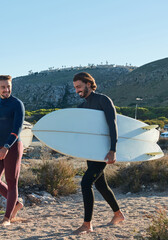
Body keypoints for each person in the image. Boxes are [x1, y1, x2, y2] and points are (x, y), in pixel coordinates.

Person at [72, 72, 125, 234]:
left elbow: (112, 125)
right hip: (91, 151)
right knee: (101, 184)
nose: (77, 90)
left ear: (88, 84)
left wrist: (113, 150)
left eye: (79, 86)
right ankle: (118, 214)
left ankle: (87, 224)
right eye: (75, 88)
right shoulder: (81, 107)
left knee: (86, 183)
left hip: (103, 151)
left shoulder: (103, 100)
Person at [0, 75, 25, 226]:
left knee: (11, 181)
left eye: (9, 86)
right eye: (3, 87)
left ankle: (7, 218)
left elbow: (17, 128)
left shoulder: (17, 104)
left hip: (13, 146)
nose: (6, 89)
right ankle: (16, 203)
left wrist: (7, 147)